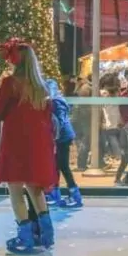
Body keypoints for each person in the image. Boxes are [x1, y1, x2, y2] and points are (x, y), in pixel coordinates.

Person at [0, 38, 57, 254]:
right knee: (35, 188)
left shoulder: (11, 83)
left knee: (15, 190)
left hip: (15, 142)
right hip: (37, 144)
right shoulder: (41, 87)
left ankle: (25, 237)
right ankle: (46, 235)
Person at [45, 78, 82, 208]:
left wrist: (55, 136)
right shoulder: (56, 100)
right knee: (56, 165)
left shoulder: (55, 101)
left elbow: (59, 120)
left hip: (62, 137)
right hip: (61, 137)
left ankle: (73, 193)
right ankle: (55, 192)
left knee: (63, 165)